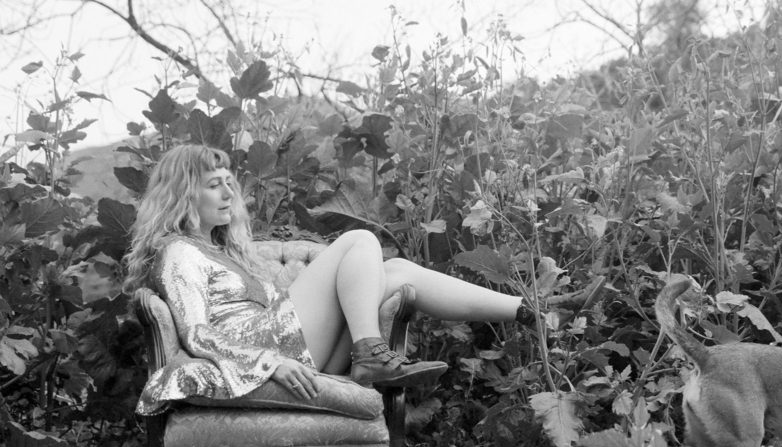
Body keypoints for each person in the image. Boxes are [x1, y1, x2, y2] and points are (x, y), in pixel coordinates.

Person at [124, 143, 534, 411]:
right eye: (215, 185)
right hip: (264, 347)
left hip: (290, 342)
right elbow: (196, 334)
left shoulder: (223, 251)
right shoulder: (179, 252)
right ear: (184, 194)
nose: (230, 194)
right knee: (358, 239)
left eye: (230, 183)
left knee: (397, 271)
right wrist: (268, 363)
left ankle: (529, 311)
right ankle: (371, 352)